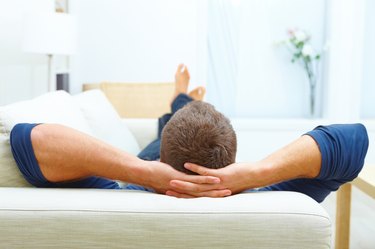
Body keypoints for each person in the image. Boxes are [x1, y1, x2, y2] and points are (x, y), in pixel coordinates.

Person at [10, 64, 369, 203]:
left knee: (170, 124)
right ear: (233, 159)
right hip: (190, 170)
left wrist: (144, 171)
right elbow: (352, 140)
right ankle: (183, 101)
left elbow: (29, 137)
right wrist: (253, 173)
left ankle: (181, 102)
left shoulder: (121, 193)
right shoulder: (269, 195)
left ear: (162, 162)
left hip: (153, 166)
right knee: (176, 119)